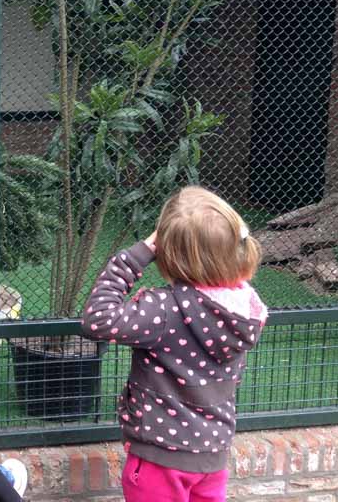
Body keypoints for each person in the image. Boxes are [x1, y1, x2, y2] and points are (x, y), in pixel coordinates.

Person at [81, 186, 267, 502]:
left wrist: (138, 254)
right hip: (213, 457)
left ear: (168, 252)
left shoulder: (164, 309)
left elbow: (96, 318)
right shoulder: (245, 308)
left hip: (159, 461)